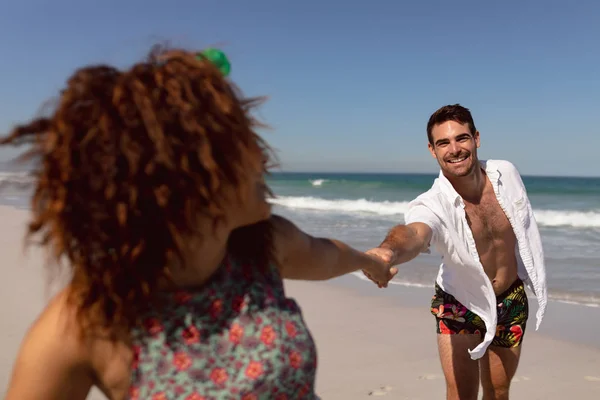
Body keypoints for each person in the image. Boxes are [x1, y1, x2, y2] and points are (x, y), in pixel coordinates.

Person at [2, 47, 397, 400]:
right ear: (181, 174)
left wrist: (371, 261)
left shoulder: (261, 246)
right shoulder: (84, 325)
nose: (263, 161)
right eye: (242, 143)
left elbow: (326, 255)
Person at [364, 104, 547, 400]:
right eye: (443, 143)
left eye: (461, 138)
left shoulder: (506, 174)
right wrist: (387, 251)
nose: (455, 149)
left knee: (499, 391)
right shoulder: (432, 203)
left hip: (511, 298)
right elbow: (414, 234)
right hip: (460, 302)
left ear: (476, 138)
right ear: (431, 150)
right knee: (461, 394)